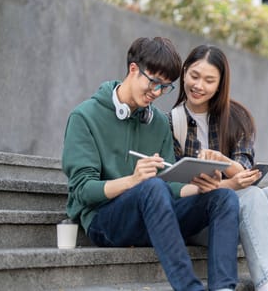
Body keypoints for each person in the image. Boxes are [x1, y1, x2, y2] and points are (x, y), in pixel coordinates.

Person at [61, 37, 240, 291]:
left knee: (223, 197)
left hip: (154, 214)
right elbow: (82, 191)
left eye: (164, 87)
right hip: (106, 222)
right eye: (153, 82)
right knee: (152, 187)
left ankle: (223, 288)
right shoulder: (85, 117)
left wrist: (202, 188)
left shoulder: (157, 122)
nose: (156, 93)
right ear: (133, 69)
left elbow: (172, 186)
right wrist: (133, 181)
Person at [168, 44, 268, 291]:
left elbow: (246, 171)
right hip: (200, 219)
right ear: (184, 72)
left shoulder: (236, 117)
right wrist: (230, 184)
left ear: (220, 83)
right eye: (194, 76)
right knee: (250, 195)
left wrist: (222, 162)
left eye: (209, 80)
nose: (199, 86)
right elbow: (181, 187)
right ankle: (266, 284)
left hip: (239, 215)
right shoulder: (172, 122)